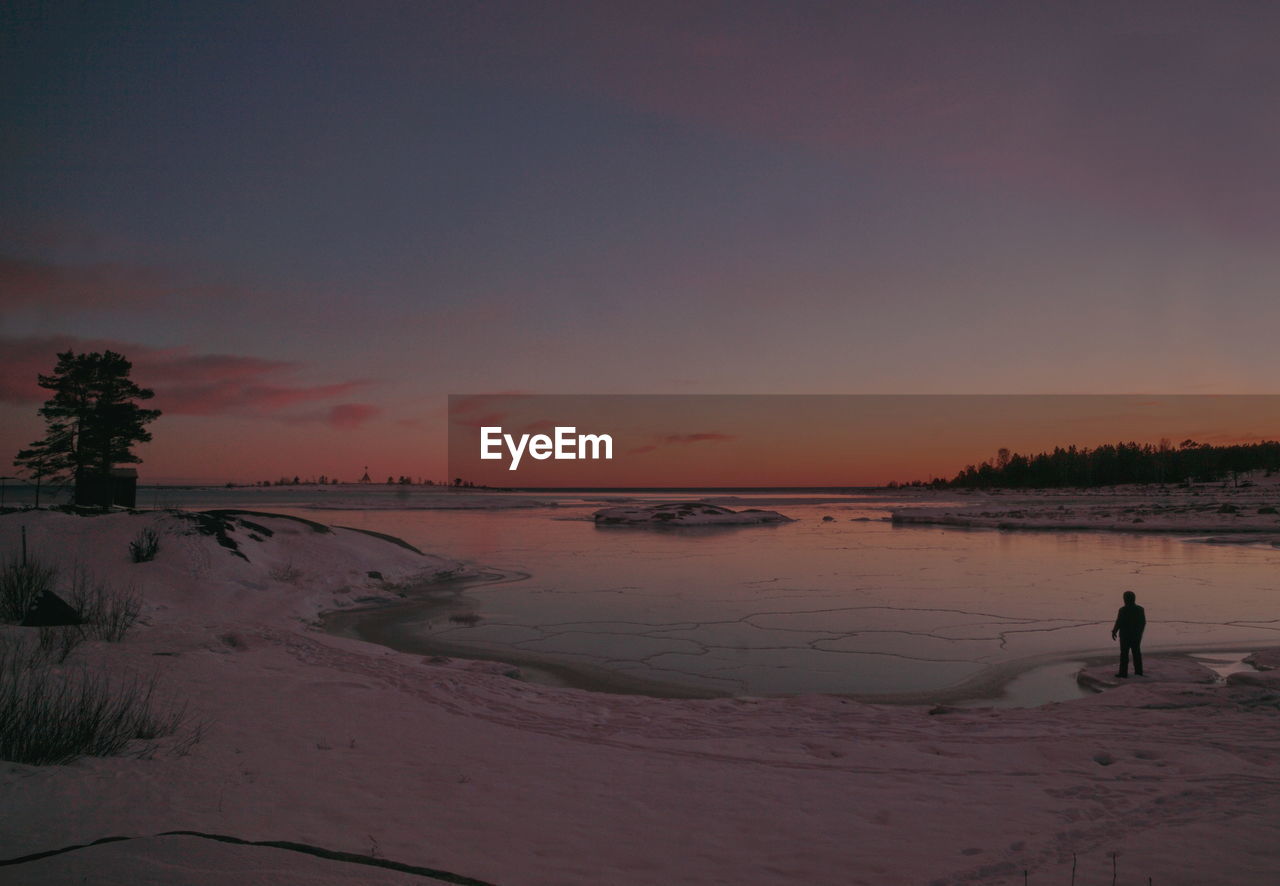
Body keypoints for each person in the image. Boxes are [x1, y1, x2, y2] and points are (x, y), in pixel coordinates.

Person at [1110, 590, 1146, 678]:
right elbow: (1142, 623)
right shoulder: (1139, 609)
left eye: (1125, 598)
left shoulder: (1123, 610)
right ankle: (1138, 672)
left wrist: (1115, 631)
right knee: (1135, 654)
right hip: (1133, 636)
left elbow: (1119, 622)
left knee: (1125, 655)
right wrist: (1114, 630)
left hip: (1126, 636)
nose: (1124, 600)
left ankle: (1124, 673)